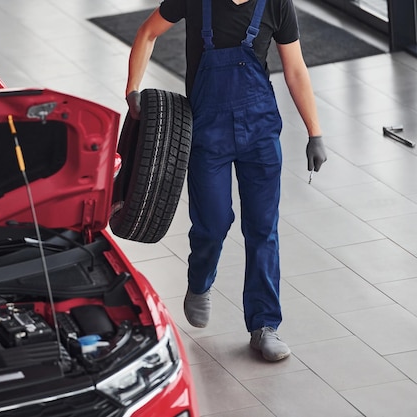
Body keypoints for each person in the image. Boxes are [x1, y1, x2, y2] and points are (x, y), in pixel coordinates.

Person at [125, 0, 327, 362]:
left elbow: (294, 69)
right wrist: (132, 89)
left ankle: (264, 325)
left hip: (260, 132)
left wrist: (315, 132)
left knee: (263, 229)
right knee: (213, 224)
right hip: (207, 133)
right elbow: (147, 33)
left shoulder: (277, 4)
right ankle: (200, 280)